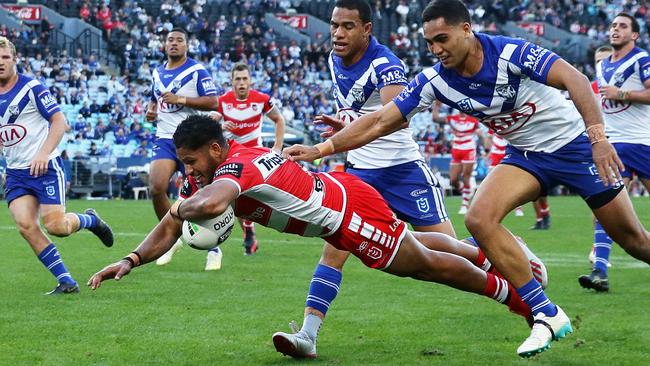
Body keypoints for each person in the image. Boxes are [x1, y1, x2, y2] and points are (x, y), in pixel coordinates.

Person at [284, 0, 650, 357]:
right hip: (525, 156)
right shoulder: (435, 80)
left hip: (575, 149)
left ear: (465, 30)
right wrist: (322, 149)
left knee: (633, 240)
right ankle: (546, 313)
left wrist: (598, 140)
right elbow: (382, 119)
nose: (436, 49)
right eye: (429, 42)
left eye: (442, 39)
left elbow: (576, 79)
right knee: (477, 217)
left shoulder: (510, 53)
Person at [88, 115, 548, 357]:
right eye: (183, 164)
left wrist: (179, 206)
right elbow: (173, 224)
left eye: (191, 162)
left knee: (422, 267)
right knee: (417, 245)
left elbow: (204, 206)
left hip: (347, 214)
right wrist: (131, 259)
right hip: (341, 201)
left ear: (214, 149)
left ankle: (521, 298)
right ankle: (501, 261)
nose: (187, 172)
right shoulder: (206, 176)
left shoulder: (235, 165)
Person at [272, 0, 458, 358]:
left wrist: (328, 144)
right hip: (359, 173)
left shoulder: (386, 65)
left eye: (348, 27)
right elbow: (365, 117)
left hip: (403, 171)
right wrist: (346, 126)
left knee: (451, 253)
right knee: (334, 250)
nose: (338, 34)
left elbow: (395, 119)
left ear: (367, 29)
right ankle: (307, 336)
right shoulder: (333, 60)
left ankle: (511, 263)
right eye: (334, 25)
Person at [0, 37, 113, 295]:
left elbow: (60, 122)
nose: (1, 62)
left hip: (46, 167)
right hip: (16, 173)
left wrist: (42, 153)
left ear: (15, 59)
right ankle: (66, 281)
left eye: (5, 57)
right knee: (26, 226)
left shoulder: (32, 88)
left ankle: (90, 220)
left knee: (57, 227)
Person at [581, 14, 650, 292]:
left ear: (634, 35)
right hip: (614, 144)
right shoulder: (601, 65)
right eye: (613, 26)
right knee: (606, 209)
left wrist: (621, 94)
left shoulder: (642, 59)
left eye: (622, 26)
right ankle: (599, 270)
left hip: (643, 142)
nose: (615, 30)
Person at [146, 28, 218, 270]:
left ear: (187, 45)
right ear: (164, 45)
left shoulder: (197, 71)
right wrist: (151, 109)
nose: (174, 44)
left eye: (179, 40)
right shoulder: (157, 72)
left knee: (201, 197)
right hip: (165, 138)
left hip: (191, 139)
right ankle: (173, 236)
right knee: (156, 187)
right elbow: (154, 98)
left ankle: (213, 246)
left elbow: (212, 101)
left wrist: (182, 100)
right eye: (170, 40)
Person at [432, 102, 482, 214]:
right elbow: (435, 118)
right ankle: (464, 191)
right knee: (453, 179)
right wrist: (436, 106)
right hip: (456, 150)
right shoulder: (453, 119)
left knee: (466, 176)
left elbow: (480, 134)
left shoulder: (473, 120)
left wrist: (484, 150)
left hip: (469, 150)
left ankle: (464, 204)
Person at [484, 130, 525, 217]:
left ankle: (518, 207)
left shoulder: (509, 123)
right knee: (491, 183)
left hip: (507, 153)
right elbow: (488, 138)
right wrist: (487, 152)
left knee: (512, 182)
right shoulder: (493, 124)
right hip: (495, 154)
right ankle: (493, 208)